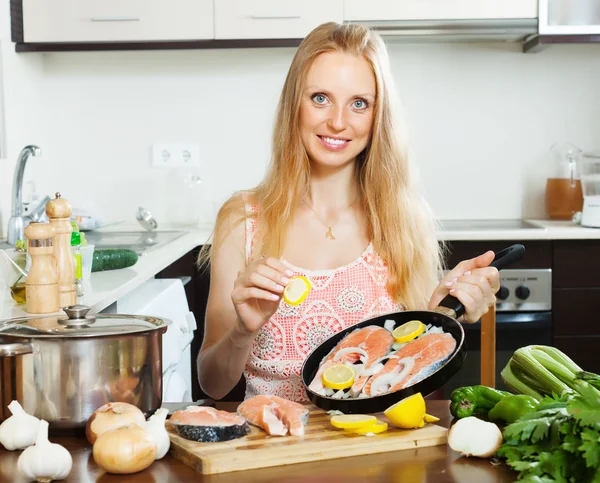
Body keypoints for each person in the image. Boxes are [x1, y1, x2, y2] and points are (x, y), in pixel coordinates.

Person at [197, 22, 499, 402]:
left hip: (373, 449)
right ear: (295, 105)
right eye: (320, 98)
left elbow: (415, 387)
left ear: (378, 116)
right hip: (271, 450)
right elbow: (213, 383)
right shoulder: (242, 218)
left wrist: (440, 322)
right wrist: (242, 331)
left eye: (359, 103)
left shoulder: (404, 220)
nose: (338, 121)